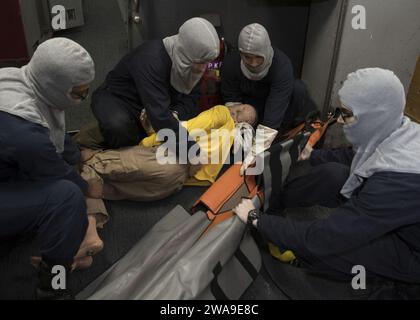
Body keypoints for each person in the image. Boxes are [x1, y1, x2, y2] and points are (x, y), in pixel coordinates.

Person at [234, 68, 420, 284]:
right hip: (398, 215)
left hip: (411, 251)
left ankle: (305, 259)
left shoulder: (394, 184)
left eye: (347, 114)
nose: (340, 121)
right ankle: (276, 202)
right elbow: (358, 155)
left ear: (373, 117)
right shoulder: (401, 130)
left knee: (334, 250)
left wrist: (258, 220)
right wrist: (314, 155)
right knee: (332, 174)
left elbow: (326, 237)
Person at [0, 38, 101, 299]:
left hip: (9, 169)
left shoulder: (17, 79)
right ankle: (52, 287)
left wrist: (77, 154)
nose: (82, 99)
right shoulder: (24, 132)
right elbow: (53, 166)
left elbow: (54, 137)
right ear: (54, 86)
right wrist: (90, 188)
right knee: (66, 197)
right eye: (78, 94)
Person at [78, 104, 257, 216]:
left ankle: (68, 167)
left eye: (240, 113)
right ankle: (90, 212)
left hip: (166, 156)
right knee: (106, 189)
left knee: (95, 165)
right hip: (174, 184)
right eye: (238, 110)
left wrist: (149, 139)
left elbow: (189, 130)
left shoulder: (223, 113)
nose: (237, 114)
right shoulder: (231, 154)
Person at [91, 17, 220, 150]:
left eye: (207, 62)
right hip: (120, 99)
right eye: (200, 62)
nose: (202, 69)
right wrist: (192, 152)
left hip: (156, 104)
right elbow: (160, 116)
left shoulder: (192, 60)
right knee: (118, 126)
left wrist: (176, 113)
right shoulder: (151, 59)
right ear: (185, 54)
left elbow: (192, 99)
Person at [221, 23, 316, 133]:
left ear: (266, 52)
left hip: (277, 107)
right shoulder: (231, 63)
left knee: (298, 89)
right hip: (247, 107)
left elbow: (273, 116)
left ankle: (283, 135)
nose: (253, 63)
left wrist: (260, 146)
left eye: (258, 57)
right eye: (247, 57)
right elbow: (232, 106)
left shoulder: (281, 66)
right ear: (240, 53)